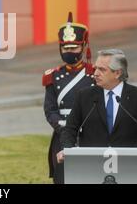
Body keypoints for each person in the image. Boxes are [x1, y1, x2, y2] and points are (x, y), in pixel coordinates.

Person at [58, 49, 137, 166]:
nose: (95, 73)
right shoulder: (84, 96)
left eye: (102, 69)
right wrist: (67, 149)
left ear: (117, 73)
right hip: (91, 165)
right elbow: (69, 130)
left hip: (130, 166)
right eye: (95, 68)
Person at [42, 12, 95, 184]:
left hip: (89, 135)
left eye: (74, 47)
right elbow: (50, 109)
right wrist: (64, 130)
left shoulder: (95, 74)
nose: (69, 51)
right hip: (62, 134)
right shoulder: (53, 76)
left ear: (83, 46)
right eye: (65, 48)